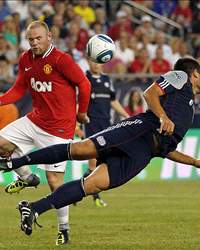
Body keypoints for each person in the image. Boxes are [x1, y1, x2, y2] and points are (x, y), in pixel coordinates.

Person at [1, 58, 200, 239]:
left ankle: (33, 208)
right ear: (195, 74)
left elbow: (166, 149)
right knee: (81, 150)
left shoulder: (190, 108)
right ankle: (13, 163)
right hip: (139, 130)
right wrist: (163, 117)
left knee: (93, 185)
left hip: (145, 153)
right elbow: (150, 93)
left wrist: (194, 162)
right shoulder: (181, 76)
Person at [0, 20, 91, 245]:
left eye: (38, 38)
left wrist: (82, 113)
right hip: (35, 120)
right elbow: (19, 89)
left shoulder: (62, 59)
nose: (34, 43)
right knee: (1, 143)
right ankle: (28, 178)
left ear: (49, 36)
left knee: (54, 181)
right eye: (31, 39)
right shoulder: (26, 58)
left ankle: (64, 229)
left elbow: (84, 84)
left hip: (59, 129)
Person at [84, 60, 129, 207]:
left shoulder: (106, 79)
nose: (96, 65)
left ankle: (77, 193)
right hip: (90, 124)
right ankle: (94, 197)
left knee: (99, 163)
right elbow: (79, 102)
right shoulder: (85, 78)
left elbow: (113, 101)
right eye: (93, 61)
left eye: (98, 62)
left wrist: (126, 115)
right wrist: (77, 123)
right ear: (88, 62)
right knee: (92, 164)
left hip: (105, 124)